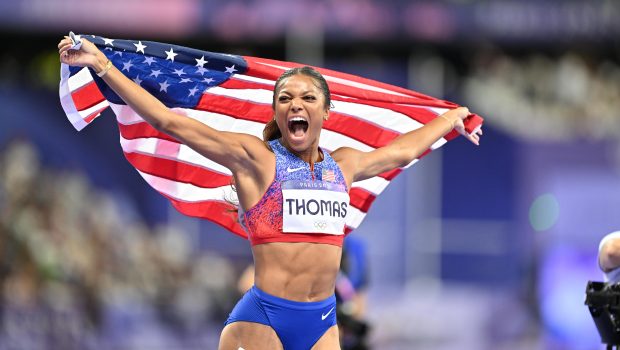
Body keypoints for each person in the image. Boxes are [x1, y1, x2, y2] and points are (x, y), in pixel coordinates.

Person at [58, 35, 482, 350]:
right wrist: (103, 67)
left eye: (307, 97)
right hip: (263, 320)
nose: (296, 104)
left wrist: (453, 117)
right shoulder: (255, 159)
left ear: (325, 111)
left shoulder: (347, 163)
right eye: (285, 97)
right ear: (276, 110)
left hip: (322, 322)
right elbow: (173, 124)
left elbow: (402, 149)